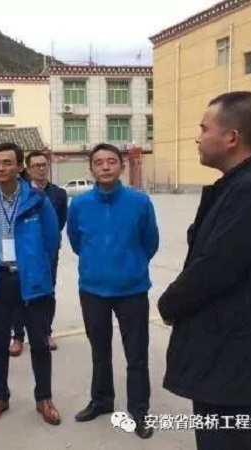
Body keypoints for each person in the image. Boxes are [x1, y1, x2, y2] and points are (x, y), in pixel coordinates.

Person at [157, 91, 251, 450]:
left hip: (234, 356)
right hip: (223, 349)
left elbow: (215, 267)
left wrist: (169, 304)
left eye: (204, 129)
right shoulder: (238, 185)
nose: (198, 137)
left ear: (232, 137)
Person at [67, 143, 159, 439]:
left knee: (137, 354)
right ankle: (102, 400)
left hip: (132, 290)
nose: (105, 167)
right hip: (93, 290)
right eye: (99, 162)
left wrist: (130, 266)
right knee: (99, 351)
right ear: (91, 168)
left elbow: (150, 242)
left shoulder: (140, 202)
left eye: (111, 161)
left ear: (121, 166)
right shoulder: (79, 205)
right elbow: (76, 242)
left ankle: (139, 410)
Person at [0, 142, 61, 426]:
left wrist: (34, 265)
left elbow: (52, 240)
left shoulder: (38, 200)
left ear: (20, 167)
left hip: (31, 280)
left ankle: (44, 398)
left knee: (40, 343)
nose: (0, 168)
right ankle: (0, 397)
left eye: (7, 162)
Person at [9, 150, 67, 355]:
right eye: (36, 166)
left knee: (48, 292)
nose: (41, 169)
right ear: (27, 169)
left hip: (47, 252)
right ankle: (18, 337)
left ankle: (46, 332)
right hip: (23, 251)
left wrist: (49, 245)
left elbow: (60, 223)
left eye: (44, 165)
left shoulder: (59, 194)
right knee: (18, 292)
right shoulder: (19, 192)